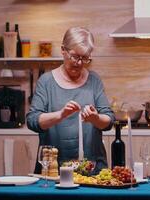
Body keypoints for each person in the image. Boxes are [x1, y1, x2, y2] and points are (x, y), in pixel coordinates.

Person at [26, 27, 115, 174]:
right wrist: (60, 114)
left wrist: (95, 118)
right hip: (53, 170)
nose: (79, 63)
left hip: (92, 170)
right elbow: (32, 120)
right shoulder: (46, 82)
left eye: (85, 58)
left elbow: (109, 120)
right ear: (63, 50)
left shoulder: (94, 80)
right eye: (75, 56)